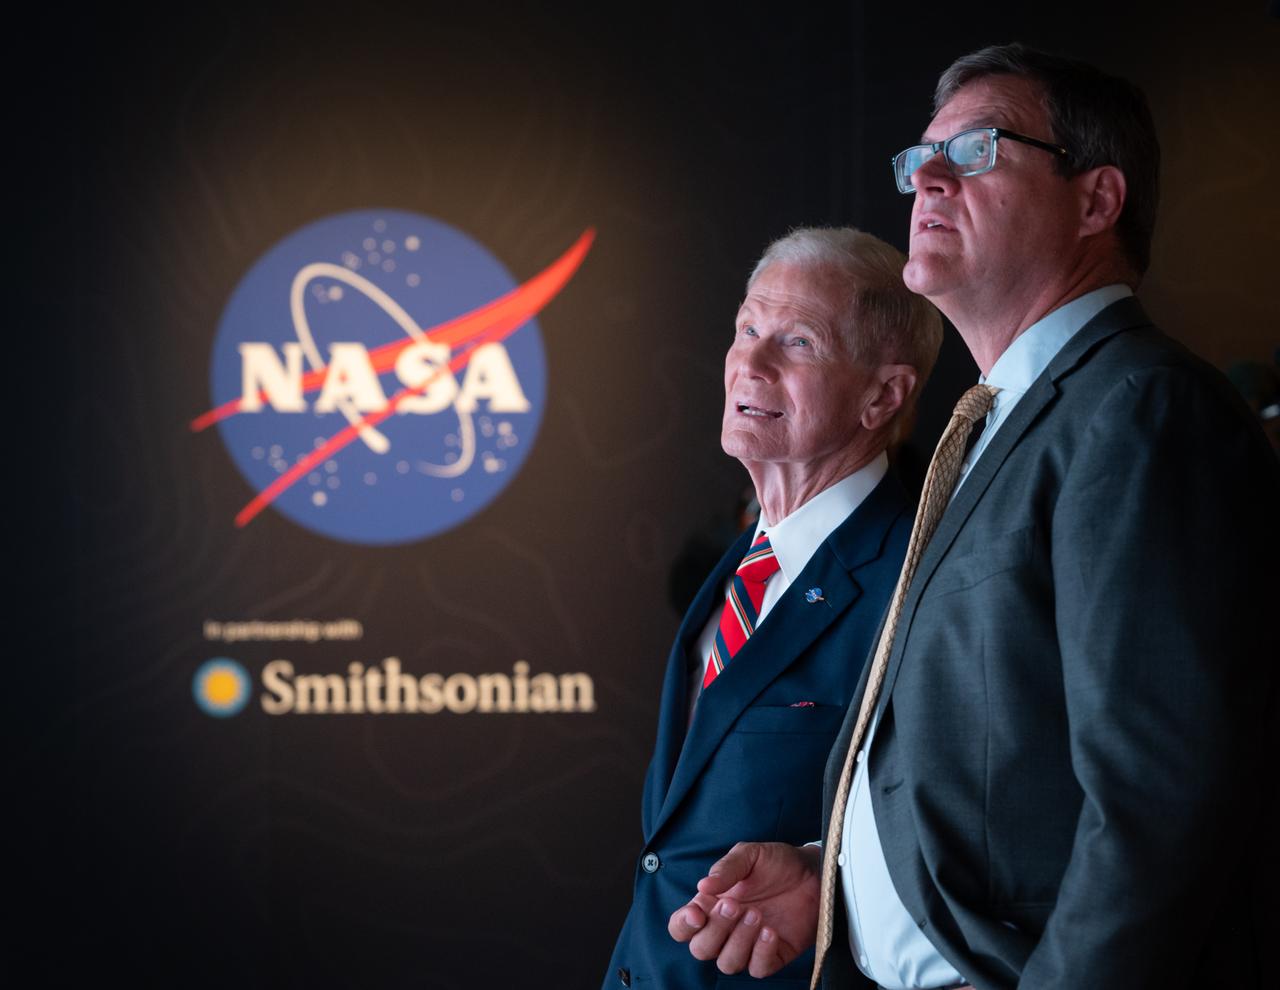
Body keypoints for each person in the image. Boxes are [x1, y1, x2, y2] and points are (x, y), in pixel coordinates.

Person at [668, 43, 1278, 989]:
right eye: (922, 158)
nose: (929, 178)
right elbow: (1008, 771)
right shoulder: (1002, 422)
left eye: (978, 150)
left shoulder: (1137, 408)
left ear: (1097, 200)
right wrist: (839, 880)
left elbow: (1160, 801)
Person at [605, 227, 942, 988]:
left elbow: (964, 824)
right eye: (747, 329)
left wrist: (825, 873)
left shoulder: (921, 579)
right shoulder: (739, 561)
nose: (750, 365)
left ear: (883, 396)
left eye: (797, 342)